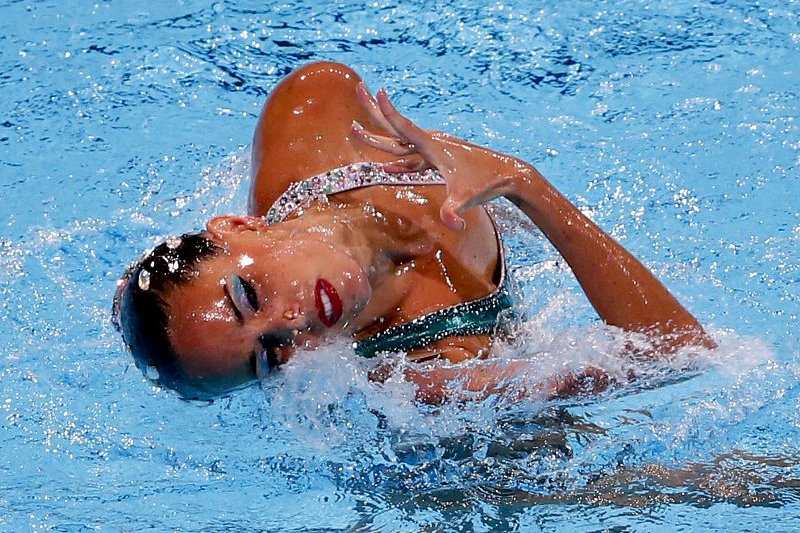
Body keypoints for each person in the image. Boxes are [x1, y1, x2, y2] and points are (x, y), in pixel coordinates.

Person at [113, 61, 714, 402]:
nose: (292, 324)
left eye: (249, 296)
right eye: (271, 358)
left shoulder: (310, 118)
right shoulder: (423, 374)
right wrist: (524, 184)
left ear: (239, 227)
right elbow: (682, 354)